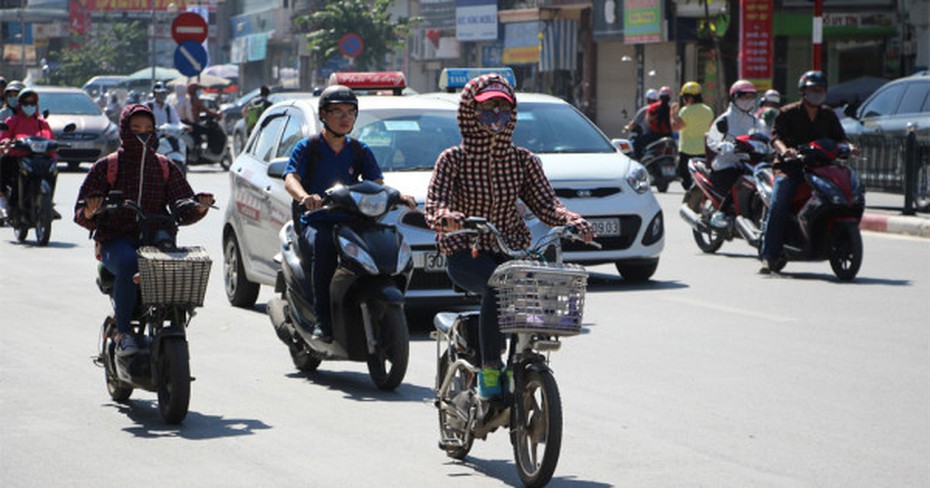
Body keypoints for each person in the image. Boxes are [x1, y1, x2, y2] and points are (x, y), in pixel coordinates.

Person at [425, 74, 594, 400]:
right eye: (488, 107)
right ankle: (490, 369)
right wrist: (446, 218)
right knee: (498, 285)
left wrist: (574, 221)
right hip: (466, 251)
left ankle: (520, 358)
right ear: (470, 111)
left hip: (511, 248)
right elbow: (437, 200)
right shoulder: (453, 159)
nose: (496, 115)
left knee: (533, 288)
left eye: (503, 107)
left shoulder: (522, 161)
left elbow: (547, 204)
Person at [73, 104, 214, 356]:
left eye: (148, 129)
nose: (143, 134)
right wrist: (91, 211)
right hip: (115, 242)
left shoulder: (165, 167)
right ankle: (123, 333)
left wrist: (200, 207)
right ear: (124, 130)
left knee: (181, 267)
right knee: (129, 262)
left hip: (157, 240)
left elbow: (183, 207)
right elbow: (81, 214)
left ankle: (173, 325)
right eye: (136, 128)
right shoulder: (107, 166)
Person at [283, 85, 413, 343]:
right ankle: (323, 321)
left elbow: (376, 183)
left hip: (354, 222)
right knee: (324, 250)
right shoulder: (308, 147)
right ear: (323, 115)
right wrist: (305, 197)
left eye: (350, 112)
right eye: (337, 112)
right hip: (318, 222)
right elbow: (291, 178)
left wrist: (397, 195)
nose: (345, 118)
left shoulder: (359, 149)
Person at [760, 70, 853, 273]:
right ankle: (769, 255)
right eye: (813, 89)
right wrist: (786, 152)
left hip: (820, 168)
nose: (817, 93)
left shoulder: (828, 115)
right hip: (790, 169)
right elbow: (776, 138)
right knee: (779, 204)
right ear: (803, 91)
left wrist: (850, 147)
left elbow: (841, 138)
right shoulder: (787, 113)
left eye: (821, 89)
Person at [704, 79, 768, 229]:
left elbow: (765, 138)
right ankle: (721, 213)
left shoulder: (756, 121)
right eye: (743, 97)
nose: (747, 101)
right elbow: (712, 140)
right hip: (726, 164)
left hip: (751, 163)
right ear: (734, 97)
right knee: (737, 182)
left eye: (751, 97)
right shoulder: (724, 120)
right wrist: (722, 146)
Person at [0, 88, 54, 221]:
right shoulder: (12, 121)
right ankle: (6, 203)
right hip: (17, 156)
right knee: (3, 164)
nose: (29, 106)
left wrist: (55, 146)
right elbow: (4, 138)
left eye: (32, 103)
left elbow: (51, 138)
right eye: (26, 103)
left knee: (52, 170)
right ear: (20, 104)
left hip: (38, 157)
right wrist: (7, 142)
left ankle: (48, 204)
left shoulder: (42, 123)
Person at [671, 81, 715, 190]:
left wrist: (672, 114)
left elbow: (675, 127)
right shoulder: (708, 110)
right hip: (703, 149)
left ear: (690, 98)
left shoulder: (685, 111)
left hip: (686, 150)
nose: (684, 100)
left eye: (685, 97)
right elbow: (712, 128)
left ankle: (690, 191)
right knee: (703, 175)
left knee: (685, 176)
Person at [180, 82, 222, 154]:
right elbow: (205, 110)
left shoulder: (187, 99)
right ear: (193, 91)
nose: (199, 92)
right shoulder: (194, 99)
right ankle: (210, 149)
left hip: (187, 123)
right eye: (197, 90)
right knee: (210, 131)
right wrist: (216, 115)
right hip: (192, 124)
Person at [624, 88, 658, 159]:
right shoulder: (662, 109)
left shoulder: (645, 110)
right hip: (659, 137)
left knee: (634, 142)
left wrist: (627, 127)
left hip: (647, 137)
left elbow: (633, 124)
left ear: (648, 99)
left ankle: (638, 160)